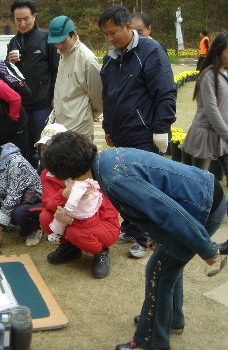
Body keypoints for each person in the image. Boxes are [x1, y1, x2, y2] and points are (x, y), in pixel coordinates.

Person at [43, 131, 226, 350]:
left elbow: (167, 211)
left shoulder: (114, 178)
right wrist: (156, 235)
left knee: (158, 271)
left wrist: (206, 248)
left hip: (200, 206)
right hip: (199, 196)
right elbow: (151, 198)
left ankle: (150, 342)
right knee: (168, 264)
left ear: (68, 172)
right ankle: (171, 321)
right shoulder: (106, 161)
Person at [98, 5, 177, 259]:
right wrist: (108, 127)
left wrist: (162, 129)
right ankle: (132, 227)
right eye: (106, 35)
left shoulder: (150, 51)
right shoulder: (110, 59)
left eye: (113, 33)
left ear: (128, 27)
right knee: (123, 185)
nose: (110, 39)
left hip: (145, 133)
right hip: (121, 133)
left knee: (144, 187)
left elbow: (165, 91)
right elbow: (108, 96)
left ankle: (147, 239)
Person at [36, 124, 120, 278]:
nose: (45, 154)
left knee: (76, 232)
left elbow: (102, 214)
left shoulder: (89, 174)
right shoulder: (47, 174)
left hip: (99, 224)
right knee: (45, 217)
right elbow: (47, 202)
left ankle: (100, 251)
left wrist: (70, 220)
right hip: (71, 217)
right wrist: (64, 195)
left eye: (49, 149)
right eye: (42, 149)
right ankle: (69, 248)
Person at [181, 32, 228, 252]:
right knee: (197, 187)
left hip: (223, 137)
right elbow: (211, 110)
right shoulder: (209, 75)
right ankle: (190, 231)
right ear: (218, 52)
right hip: (206, 135)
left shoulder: (225, 73)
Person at [7, 0, 59, 168]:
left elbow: (56, 70)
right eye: (18, 20)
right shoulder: (13, 42)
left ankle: (45, 185)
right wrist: (9, 63)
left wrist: (54, 97)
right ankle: (29, 187)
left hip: (42, 104)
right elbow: (8, 74)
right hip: (21, 105)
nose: (22, 24)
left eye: (26, 19)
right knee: (25, 147)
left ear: (34, 17)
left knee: (45, 147)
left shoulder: (46, 39)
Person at [47, 16, 103, 140]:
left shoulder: (87, 60)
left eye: (63, 41)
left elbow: (97, 95)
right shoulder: (63, 54)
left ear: (74, 34)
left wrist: (90, 113)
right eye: (56, 43)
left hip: (80, 127)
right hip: (61, 124)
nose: (59, 46)